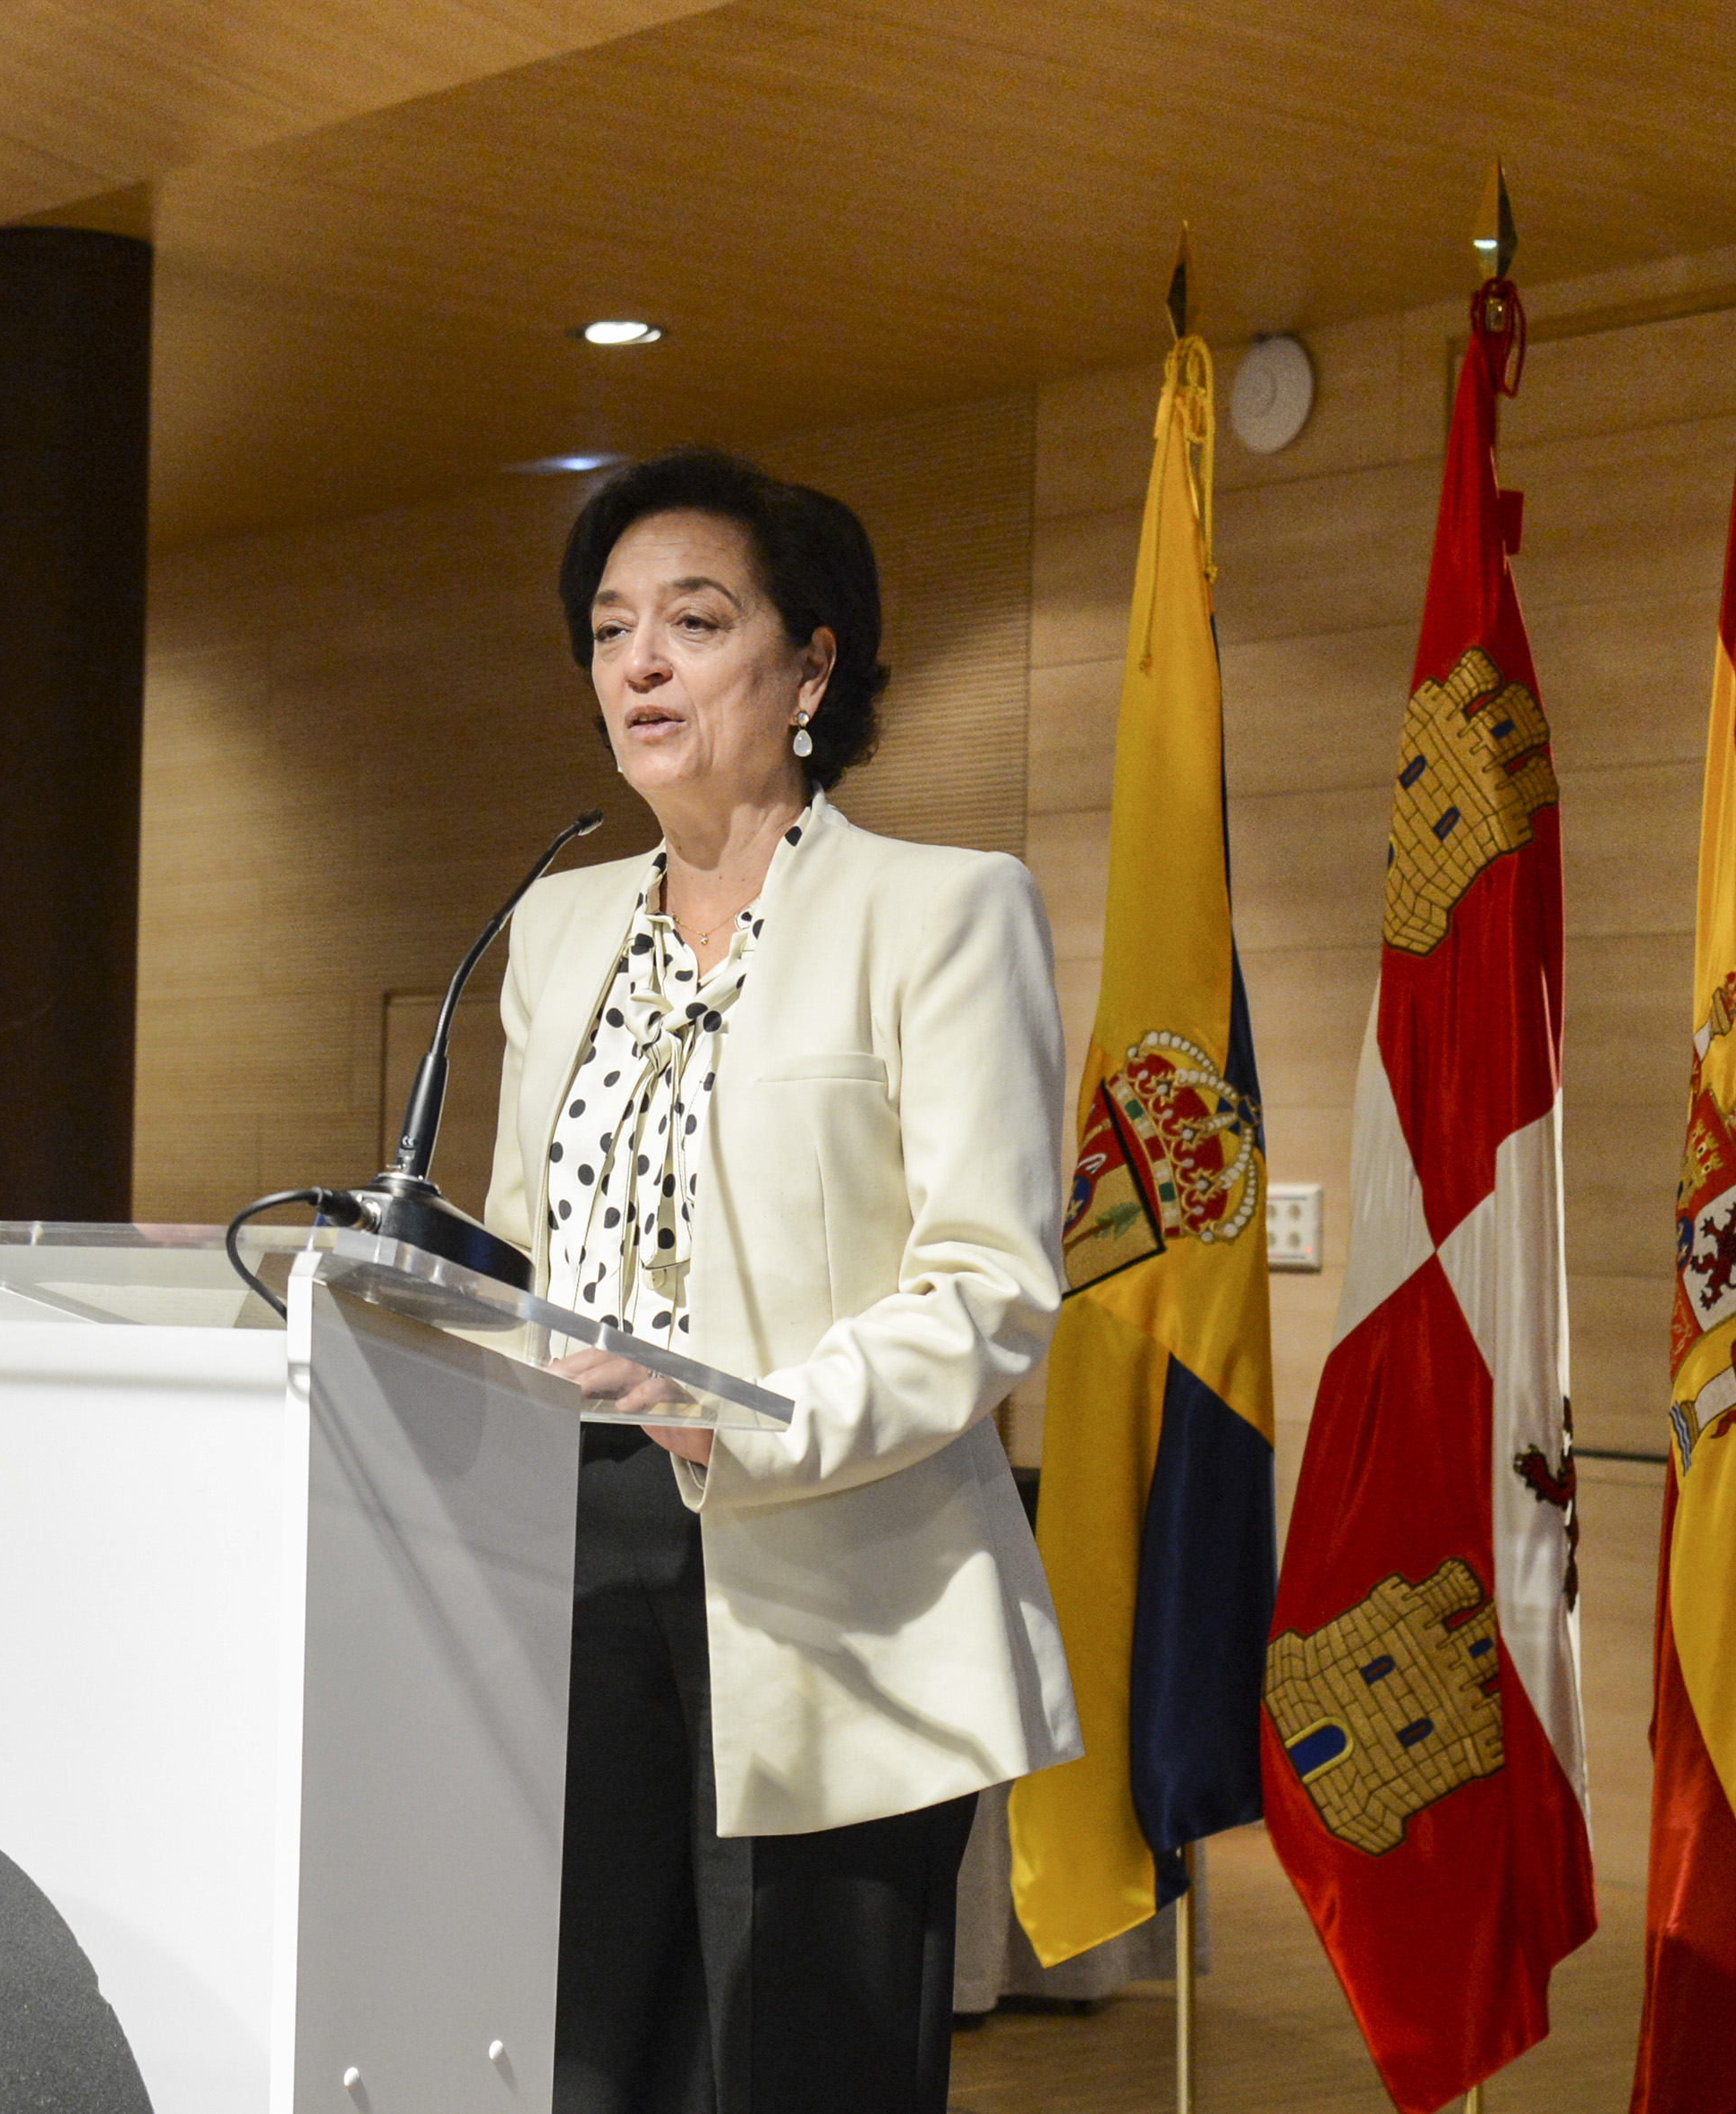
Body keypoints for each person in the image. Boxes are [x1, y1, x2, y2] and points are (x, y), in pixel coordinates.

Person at [482, 446, 1079, 2114]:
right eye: (609, 630)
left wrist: (739, 1414)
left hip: (834, 1581)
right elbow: (523, 1248)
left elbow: (984, 1282)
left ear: (811, 666)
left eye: (693, 620)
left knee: (797, 2072)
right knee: (585, 2065)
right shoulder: (554, 924)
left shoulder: (941, 910)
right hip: (569, 1564)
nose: (640, 665)